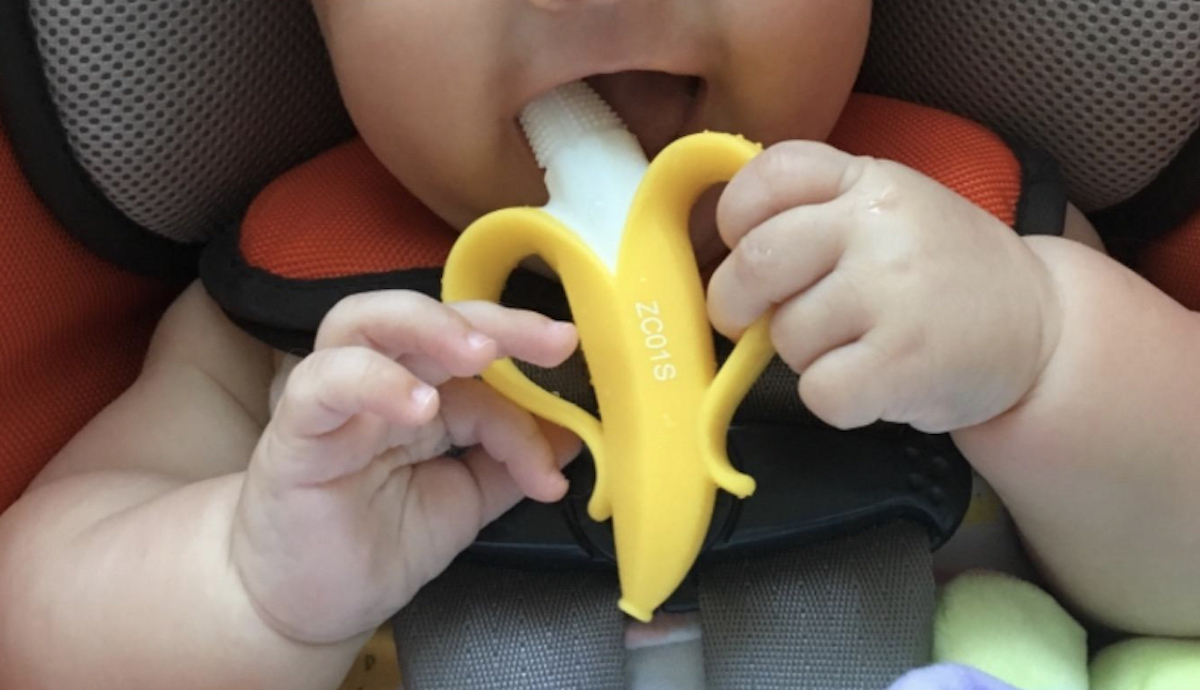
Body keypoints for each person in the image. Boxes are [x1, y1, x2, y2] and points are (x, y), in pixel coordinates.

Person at [2, 0, 1199, 687]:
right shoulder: (290, 320)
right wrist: (247, 583)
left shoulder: (975, 234)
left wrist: (1042, 353)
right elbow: (32, 627)